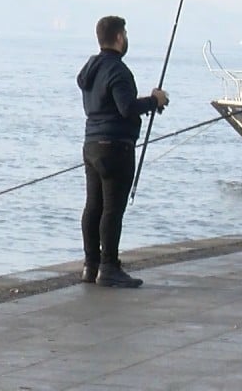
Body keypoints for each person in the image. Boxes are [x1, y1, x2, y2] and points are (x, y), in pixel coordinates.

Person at [77, 15, 169, 288]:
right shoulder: (118, 70)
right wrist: (154, 100)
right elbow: (126, 108)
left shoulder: (90, 68)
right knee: (112, 209)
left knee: (93, 206)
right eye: (125, 34)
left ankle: (91, 265)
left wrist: (148, 103)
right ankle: (108, 267)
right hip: (116, 146)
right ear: (119, 37)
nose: (126, 39)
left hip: (91, 144)